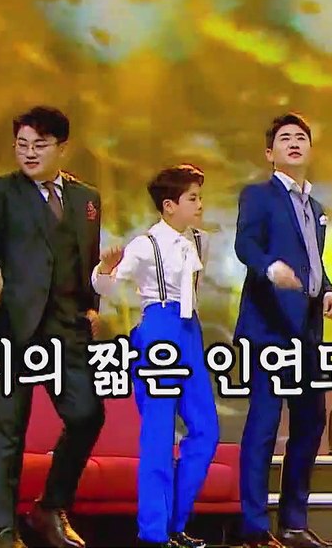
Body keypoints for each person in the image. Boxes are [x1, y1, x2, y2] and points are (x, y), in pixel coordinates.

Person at [0, 106, 106, 548]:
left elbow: (87, 258)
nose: (29, 153)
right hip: (11, 325)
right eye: (22, 145)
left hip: (66, 328)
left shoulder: (86, 198)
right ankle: (3, 530)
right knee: (7, 430)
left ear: (62, 148)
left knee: (87, 414)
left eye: (40, 146)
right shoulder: (1, 190)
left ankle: (50, 506)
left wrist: (91, 306)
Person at [92, 164, 218, 548]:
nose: (200, 204)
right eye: (192, 198)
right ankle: (154, 533)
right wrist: (105, 269)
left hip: (190, 330)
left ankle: (175, 522)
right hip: (158, 328)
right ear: (169, 205)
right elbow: (108, 286)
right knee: (159, 435)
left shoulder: (200, 242)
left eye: (199, 197)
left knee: (206, 430)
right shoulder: (145, 245)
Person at [233, 113, 332, 548]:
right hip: (268, 327)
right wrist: (269, 267)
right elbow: (245, 244)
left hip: (307, 330)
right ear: (269, 153)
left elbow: (314, 262)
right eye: (285, 138)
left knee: (310, 423)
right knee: (264, 425)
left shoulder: (315, 208)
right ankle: (254, 527)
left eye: (301, 138)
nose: (294, 143)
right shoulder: (258, 196)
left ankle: (294, 523)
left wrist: (328, 289)